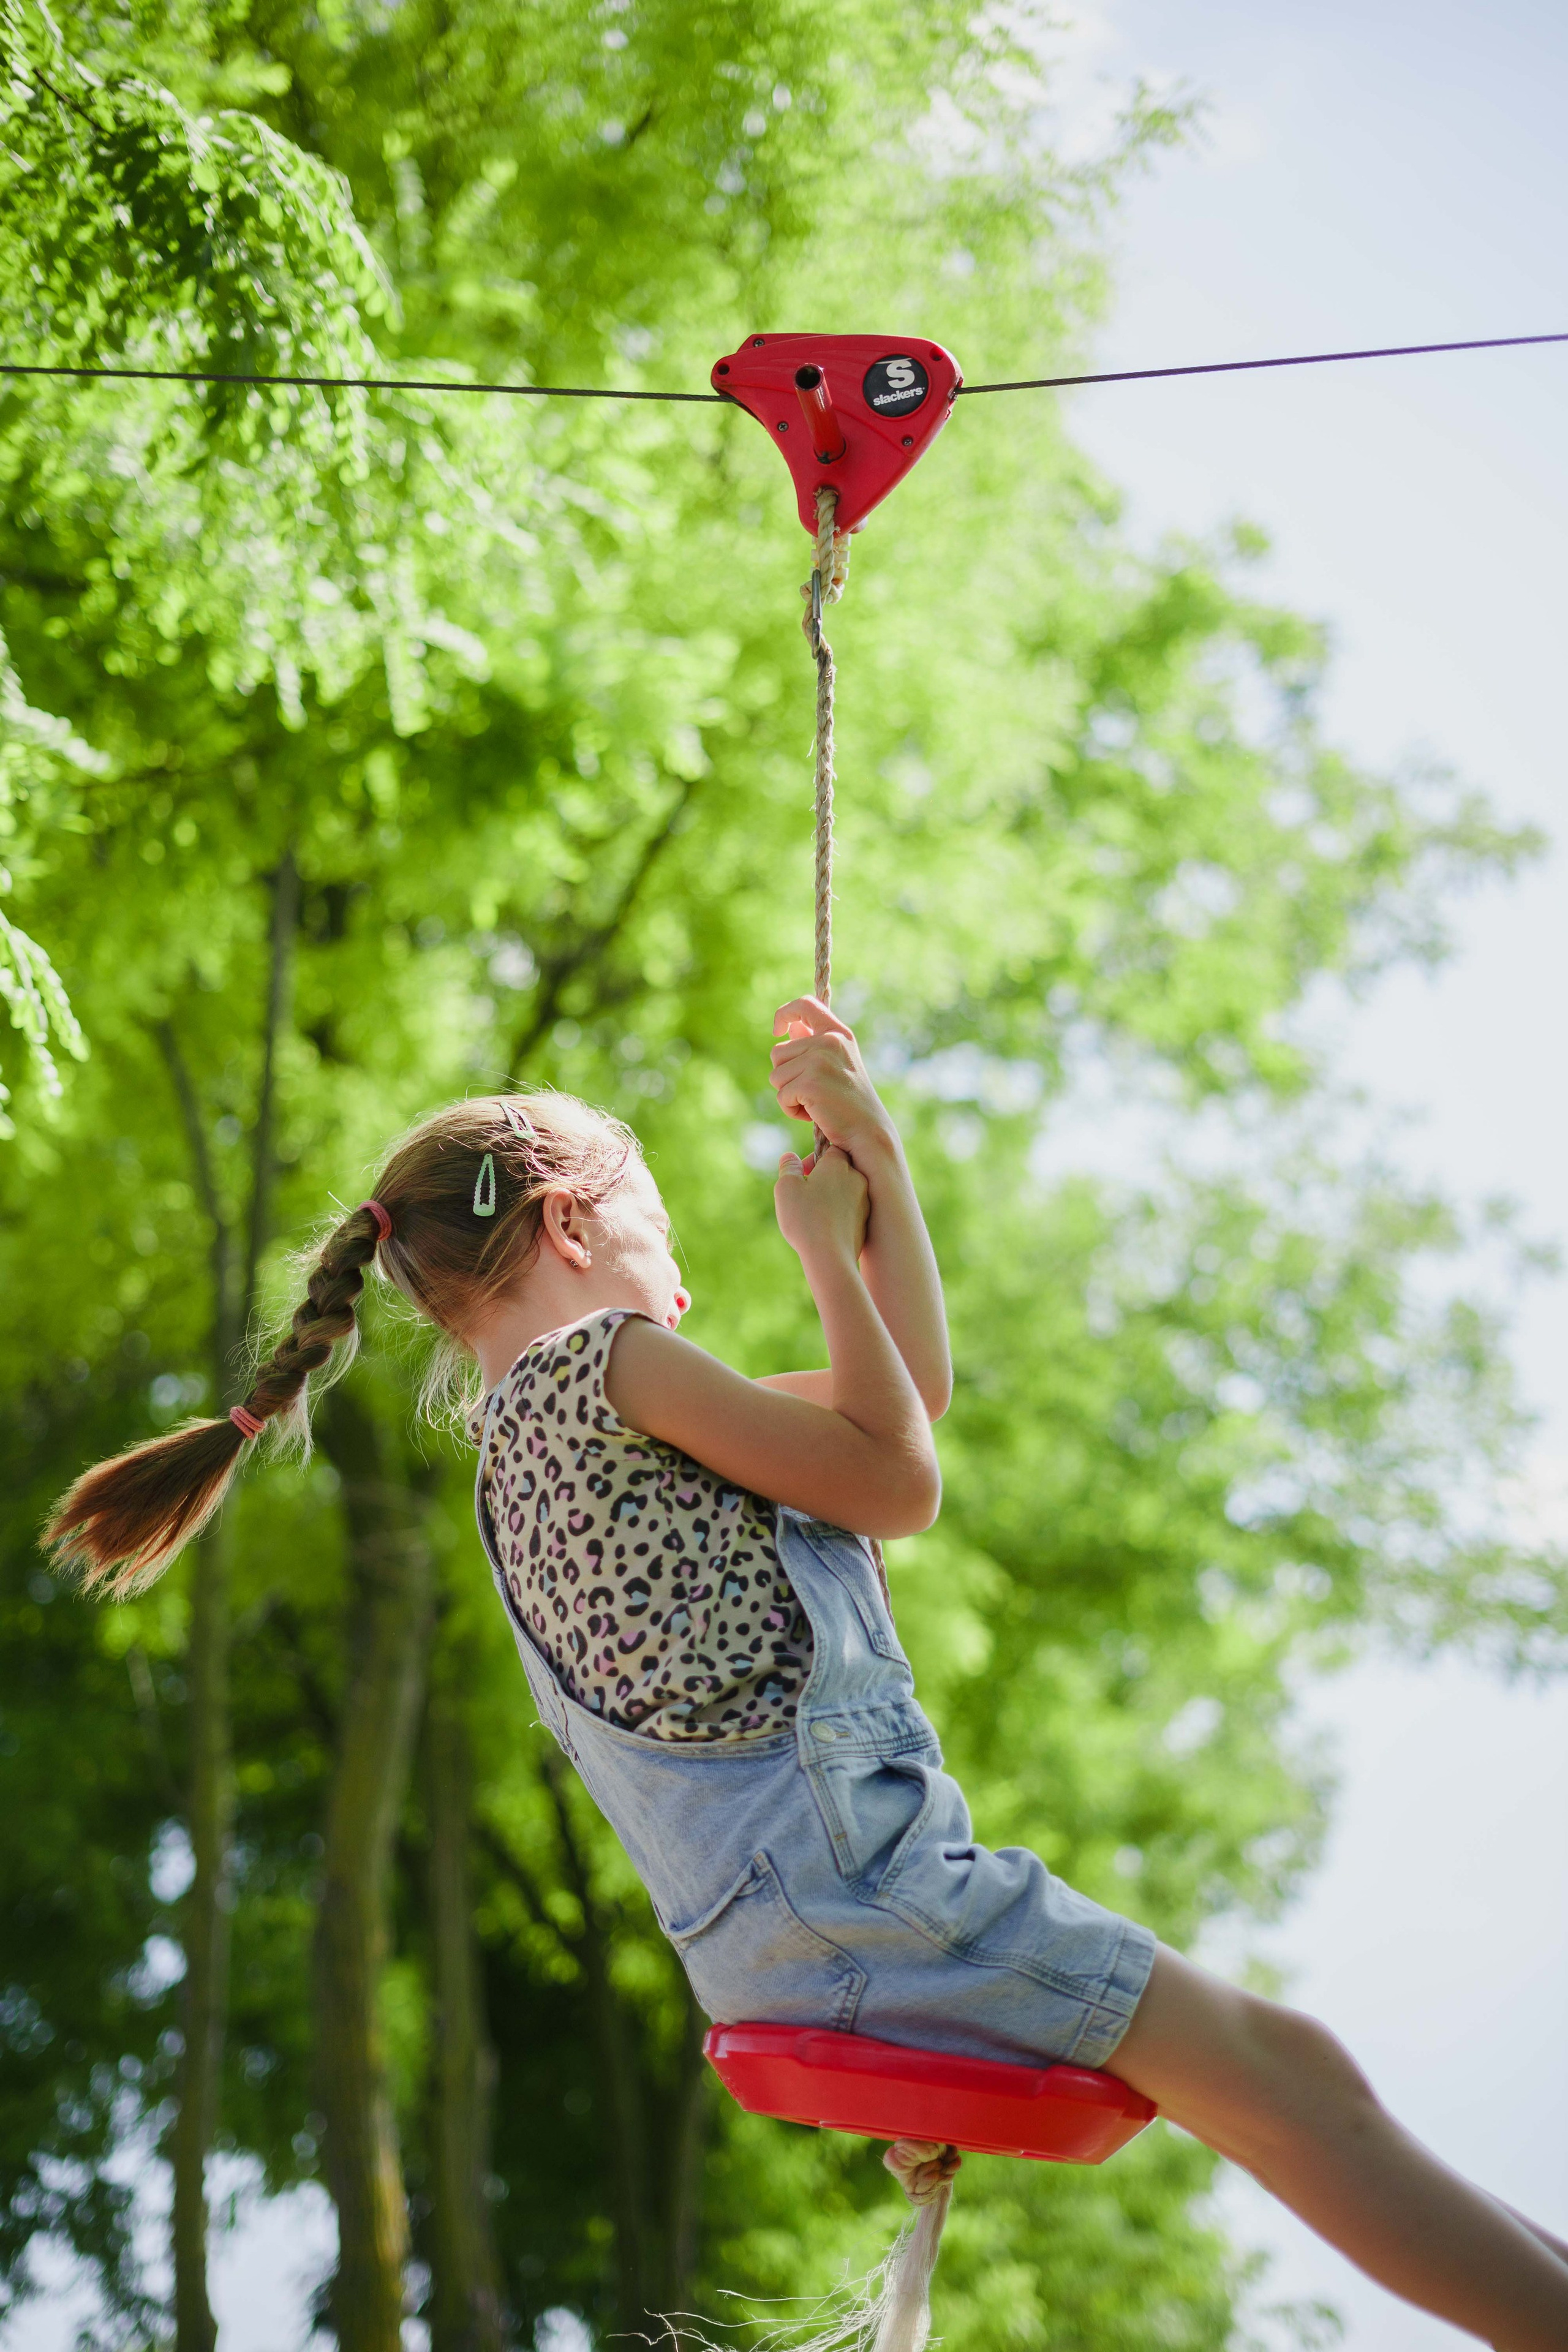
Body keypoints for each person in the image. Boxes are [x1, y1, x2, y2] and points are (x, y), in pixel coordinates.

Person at [47, 998, 1568, 2351]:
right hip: (868, 1892)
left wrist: (873, 1153)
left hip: (787, 1937)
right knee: (1289, 2082)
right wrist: (824, 1248)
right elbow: (898, 1483)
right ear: (569, 1225)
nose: (681, 1286)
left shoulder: (532, 1453)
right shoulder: (611, 1368)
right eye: (657, 1231)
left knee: (1291, 2077)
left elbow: (900, 1400)